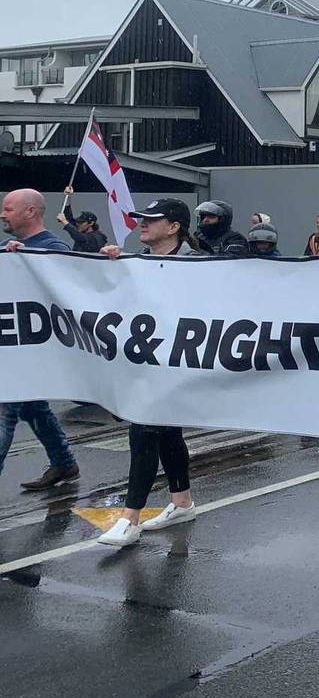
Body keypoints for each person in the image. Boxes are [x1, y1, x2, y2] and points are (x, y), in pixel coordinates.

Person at [95, 199, 209, 546]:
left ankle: (130, 518)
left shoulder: (202, 264)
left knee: (145, 428)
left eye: (151, 220)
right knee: (167, 431)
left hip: (179, 362)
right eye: (141, 219)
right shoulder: (137, 260)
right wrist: (111, 267)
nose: (141, 224)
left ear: (174, 227)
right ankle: (182, 501)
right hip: (147, 361)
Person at [0, 189, 82, 491]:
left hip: (31, 350)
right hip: (13, 348)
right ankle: (63, 463)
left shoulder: (51, 248)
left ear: (31, 211)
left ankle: (64, 463)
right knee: (34, 407)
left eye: (8, 209)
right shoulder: (8, 249)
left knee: (4, 410)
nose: (2, 214)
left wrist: (26, 263)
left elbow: (64, 293)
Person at [57, 186, 108, 252]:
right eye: (78, 222)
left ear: (91, 223)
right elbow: (69, 219)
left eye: (81, 223)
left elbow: (80, 237)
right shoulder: (81, 229)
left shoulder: (98, 237)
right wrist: (68, 196)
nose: (78, 225)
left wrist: (64, 222)